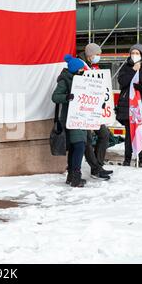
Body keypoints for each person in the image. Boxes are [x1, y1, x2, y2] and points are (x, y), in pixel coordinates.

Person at [52, 54, 88, 187]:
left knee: (75, 146)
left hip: (81, 116)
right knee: (79, 145)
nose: (82, 70)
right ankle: (76, 177)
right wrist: (67, 97)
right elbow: (55, 97)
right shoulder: (65, 80)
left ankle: (71, 176)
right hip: (70, 117)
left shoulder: (81, 79)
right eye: (80, 69)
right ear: (75, 69)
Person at [78, 43, 112, 180]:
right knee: (87, 139)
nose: (98, 57)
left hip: (94, 108)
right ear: (89, 54)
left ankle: (98, 164)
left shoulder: (93, 66)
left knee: (104, 134)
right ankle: (95, 168)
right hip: (83, 109)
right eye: (97, 55)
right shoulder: (80, 65)